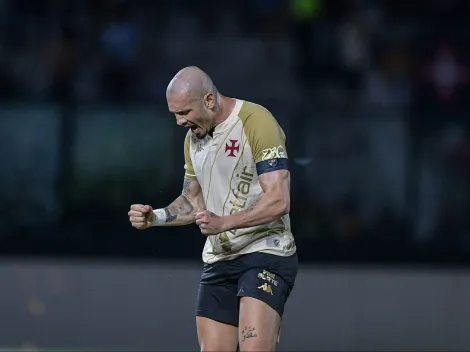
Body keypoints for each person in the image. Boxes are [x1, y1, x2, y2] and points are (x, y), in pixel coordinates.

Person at [128, 66, 298, 352]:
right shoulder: (192, 140)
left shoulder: (257, 122)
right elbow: (192, 200)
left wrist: (225, 223)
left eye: (184, 113)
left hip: (265, 252)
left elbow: (279, 200)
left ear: (209, 100)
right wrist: (154, 217)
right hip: (220, 258)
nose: (180, 122)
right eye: (175, 115)